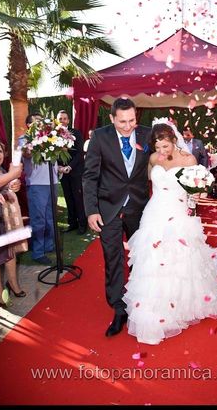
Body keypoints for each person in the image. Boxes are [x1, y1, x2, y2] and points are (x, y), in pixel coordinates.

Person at [123, 123, 217, 345]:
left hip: (178, 211)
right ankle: (152, 304)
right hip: (154, 210)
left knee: (179, 255)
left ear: (174, 140)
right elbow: (148, 182)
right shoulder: (153, 159)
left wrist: (195, 195)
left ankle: (180, 303)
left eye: (165, 146)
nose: (162, 151)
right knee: (152, 255)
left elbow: (196, 190)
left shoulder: (189, 159)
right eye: (157, 146)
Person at [82, 98, 151, 337]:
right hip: (107, 209)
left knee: (141, 257)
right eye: (122, 121)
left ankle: (141, 300)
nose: (128, 126)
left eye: (132, 120)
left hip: (139, 206)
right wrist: (91, 210)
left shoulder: (147, 134)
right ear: (112, 119)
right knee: (113, 258)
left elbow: (164, 159)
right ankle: (119, 308)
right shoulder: (100, 137)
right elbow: (90, 176)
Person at [0, 138, 25, 308]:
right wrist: (10, 178)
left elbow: (9, 185)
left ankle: (13, 285)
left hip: (6, 219)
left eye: (0, 151)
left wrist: (15, 184)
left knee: (10, 253)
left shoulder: (0, 168)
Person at [21, 113, 59, 265]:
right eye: (37, 122)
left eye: (42, 121)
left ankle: (49, 246)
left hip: (53, 182)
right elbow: (27, 154)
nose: (41, 123)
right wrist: (38, 141)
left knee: (51, 218)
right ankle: (38, 252)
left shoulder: (51, 137)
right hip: (37, 184)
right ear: (29, 125)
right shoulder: (24, 139)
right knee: (39, 220)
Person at [56, 110, 87, 234]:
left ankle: (83, 224)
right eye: (60, 119)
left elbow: (80, 153)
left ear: (68, 120)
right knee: (68, 198)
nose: (62, 121)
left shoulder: (76, 133)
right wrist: (59, 167)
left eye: (64, 118)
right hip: (62, 172)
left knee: (78, 198)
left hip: (75, 171)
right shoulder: (52, 136)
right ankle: (72, 223)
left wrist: (70, 166)